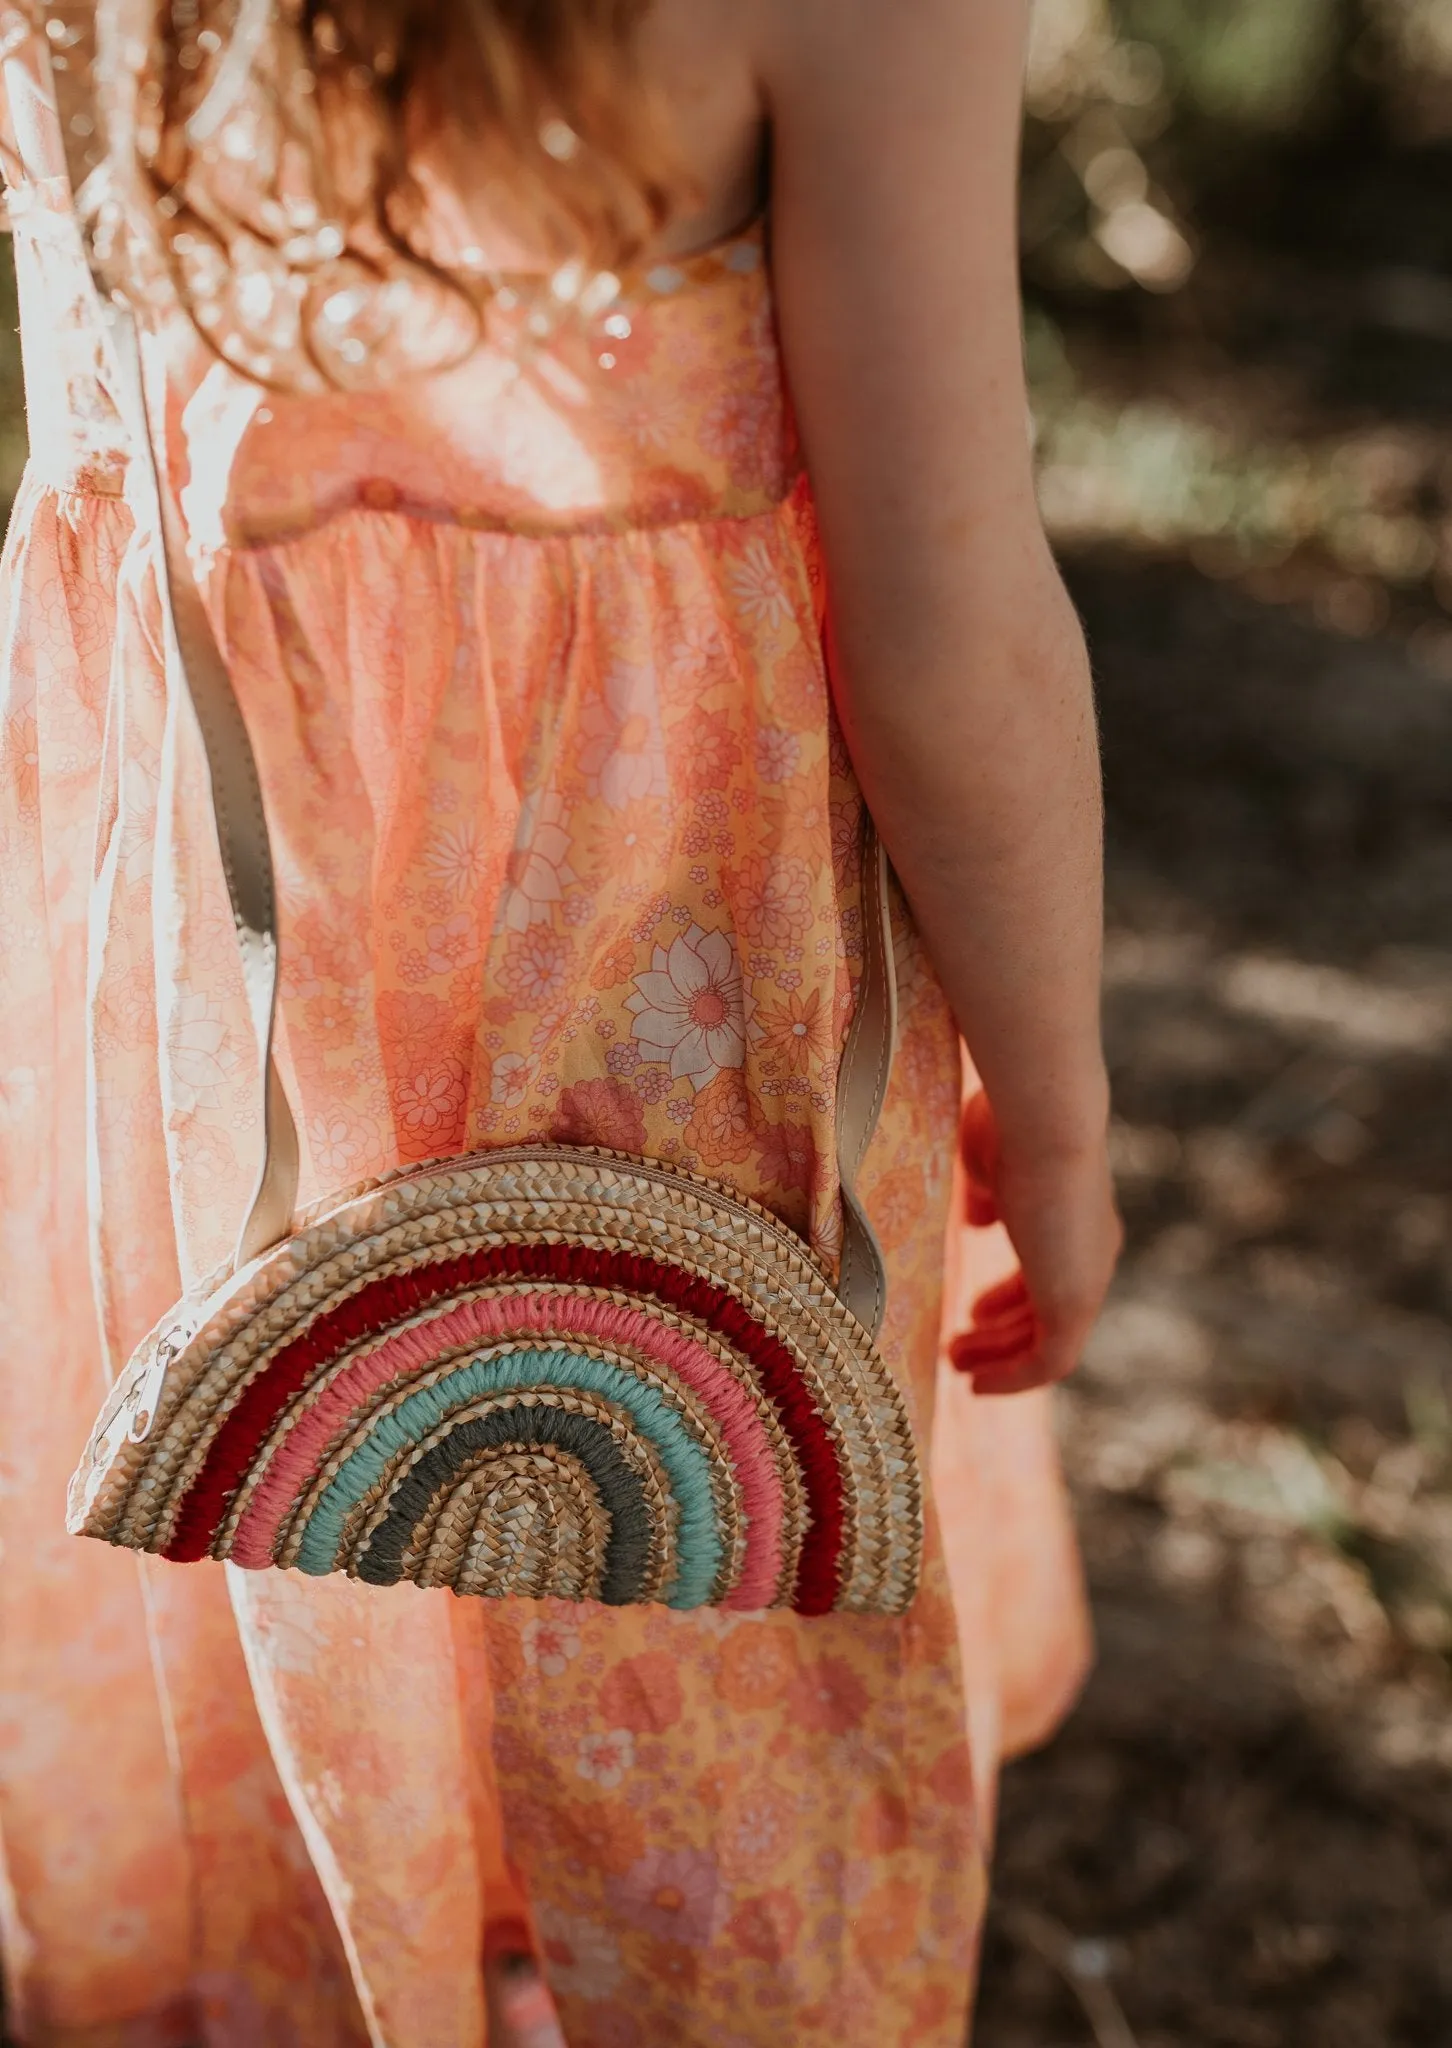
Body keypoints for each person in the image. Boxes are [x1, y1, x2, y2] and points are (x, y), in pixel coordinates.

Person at [0, 1, 1119, 2042]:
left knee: (279, 1489)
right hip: (684, 980)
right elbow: (947, 625)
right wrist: (1056, 1113)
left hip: (207, 960)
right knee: (696, 1605)